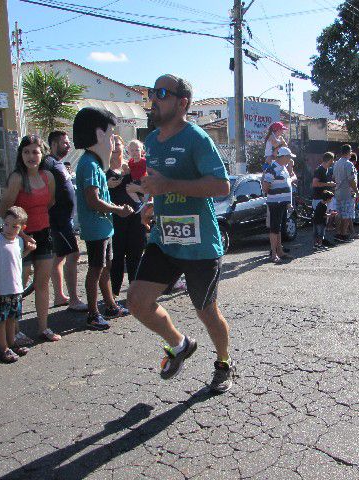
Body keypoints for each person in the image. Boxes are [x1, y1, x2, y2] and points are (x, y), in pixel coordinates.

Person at [126, 74, 234, 393]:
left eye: (161, 93)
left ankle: (223, 362)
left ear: (182, 103)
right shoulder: (151, 142)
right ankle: (180, 343)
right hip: (165, 238)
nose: (153, 99)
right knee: (136, 300)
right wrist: (153, 203)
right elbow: (160, 184)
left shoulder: (197, 139)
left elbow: (221, 186)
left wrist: (168, 186)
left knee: (207, 312)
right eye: (151, 92)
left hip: (200, 245)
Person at [73, 108, 134, 330]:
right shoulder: (89, 164)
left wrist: (115, 209)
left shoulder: (95, 163)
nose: (112, 142)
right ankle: (93, 313)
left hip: (104, 226)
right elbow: (93, 200)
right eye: (110, 135)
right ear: (99, 135)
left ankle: (110, 305)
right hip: (95, 227)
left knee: (106, 266)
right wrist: (117, 210)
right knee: (96, 269)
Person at [0, 135, 58, 342]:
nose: (31, 156)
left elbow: (49, 203)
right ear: (21, 155)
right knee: (18, 288)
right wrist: (22, 234)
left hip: (43, 234)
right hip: (20, 238)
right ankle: (15, 332)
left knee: (42, 284)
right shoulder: (16, 178)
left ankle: (43, 328)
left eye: (35, 152)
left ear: (42, 154)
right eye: (26, 152)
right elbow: (5, 210)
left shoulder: (48, 177)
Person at [0, 207, 36, 363]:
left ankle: (12, 343)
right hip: (0, 289)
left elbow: (17, 259)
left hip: (15, 288)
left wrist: (28, 251)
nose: (9, 229)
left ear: (22, 228)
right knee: (1, 320)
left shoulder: (19, 241)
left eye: (14, 226)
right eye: (6, 224)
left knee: (12, 318)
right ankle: (4, 348)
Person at [43, 130, 86, 312]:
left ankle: (59, 296)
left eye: (68, 143)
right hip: (58, 219)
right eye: (64, 143)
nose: (68, 146)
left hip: (64, 218)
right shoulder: (48, 163)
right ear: (53, 144)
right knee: (73, 255)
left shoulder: (57, 163)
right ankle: (74, 299)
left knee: (59, 257)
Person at [106, 135, 147, 301]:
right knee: (117, 256)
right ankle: (114, 293)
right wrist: (107, 184)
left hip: (136, 217)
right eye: (112, 145)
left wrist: (139, 187)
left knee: (135, 255)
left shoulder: (132, 168)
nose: (116, 148)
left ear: (125, 148)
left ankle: (135, 291)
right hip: (116, 219)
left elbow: (148, 189)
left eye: (118, 145)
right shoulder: (104, 171)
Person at [263, 146, 296, 263]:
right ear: (284, 157)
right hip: (275, 203)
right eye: (289, 157)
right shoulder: (272, 168)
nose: (290, 160)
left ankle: (280, 251)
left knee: (279, 228)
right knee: (274, 228)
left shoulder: (283, 168)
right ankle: (273, 254)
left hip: (282, 203)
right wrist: (277, 194)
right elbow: (265, 187)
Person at [332, 144, 359, 242]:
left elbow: (334, 177)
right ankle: (343, 234)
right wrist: (357, 193)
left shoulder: (336, 163)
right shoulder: (349, 164)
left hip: (338, 191)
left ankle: (338, 233)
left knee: (339, 213)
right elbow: (351, 180)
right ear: (349, 152)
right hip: (347, 192)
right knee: (347, 214)